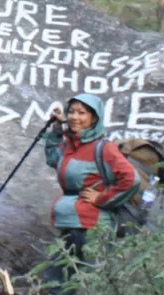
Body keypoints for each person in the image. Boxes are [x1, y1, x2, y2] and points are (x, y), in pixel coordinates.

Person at [43, 93, 137, 277]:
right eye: (71, 112)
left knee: (89, 283)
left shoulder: (104, 147)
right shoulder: (70, 146)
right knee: (58, 282)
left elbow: (131, 179)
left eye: (82, 113)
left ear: (94, 118)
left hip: (93, 227)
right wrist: (56, 128)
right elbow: (54, 159)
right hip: (70, 225)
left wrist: (102, 198)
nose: (74, 117)